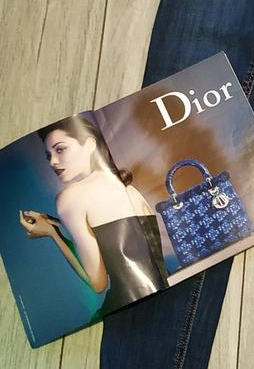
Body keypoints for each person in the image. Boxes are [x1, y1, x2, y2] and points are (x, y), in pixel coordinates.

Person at [18, 114, 169, 318]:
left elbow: (98, 284)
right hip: (167, 289)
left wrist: (53, 233)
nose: (53, 162)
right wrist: (58, 223)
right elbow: (120, 236)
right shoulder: (128, 188)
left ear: (90, 144)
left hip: (127, 307)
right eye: (48, 156)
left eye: (60, 149)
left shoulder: (69, 198)